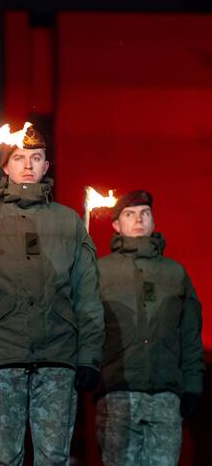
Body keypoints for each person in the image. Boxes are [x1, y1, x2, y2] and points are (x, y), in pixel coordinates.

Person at [0, 126, 104, 465]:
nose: (27, 164)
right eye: (18, 157)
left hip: (57, 358)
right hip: (3, 355)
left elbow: (87, 296)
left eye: (36, 157)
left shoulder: (69, 223)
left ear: (47, 166)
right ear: (5, 167)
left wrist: (88, 357)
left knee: (53, 458)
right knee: (2, 459)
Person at [96, 190, 204, 466]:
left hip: (166, 397)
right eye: (130, 214)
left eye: (145, 213)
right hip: (118, 393)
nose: (139, 220)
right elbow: (87, 330)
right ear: (116, 225)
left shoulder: (174, 273)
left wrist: (193, 386)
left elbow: (189, 334)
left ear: (154, 221)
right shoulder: (100, 272)